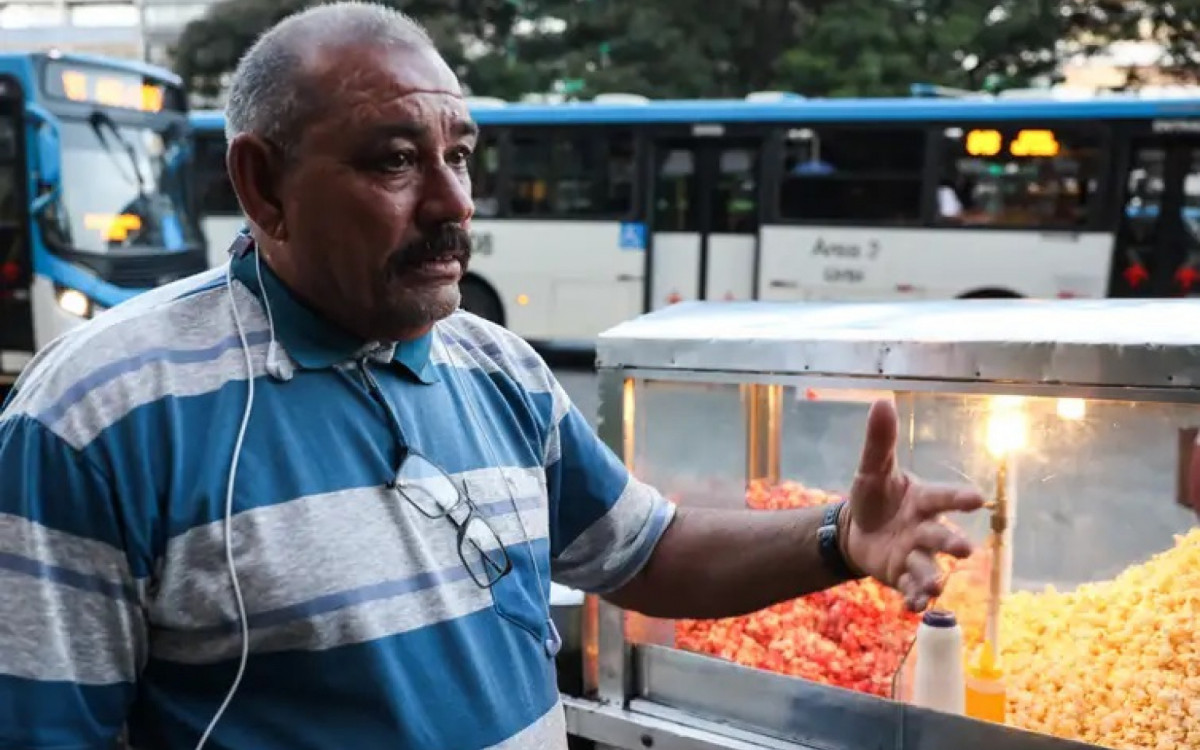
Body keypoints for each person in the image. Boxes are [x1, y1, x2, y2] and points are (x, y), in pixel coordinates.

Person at [0, 3, 984, 748]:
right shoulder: (100, 418)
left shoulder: (498, 366)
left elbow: (648, 552)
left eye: (461, 157)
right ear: (263, 185)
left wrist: (839, 538)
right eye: (394, 163)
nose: (452, 205)